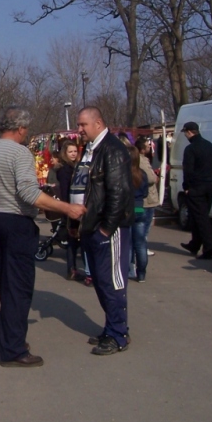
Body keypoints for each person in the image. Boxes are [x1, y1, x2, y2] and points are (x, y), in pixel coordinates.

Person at [0, 107, 85, 367]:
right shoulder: (21, 153)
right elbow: (28, 193)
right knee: (19, 288)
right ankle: (13, 350)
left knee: (6, 284)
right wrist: (67, 208)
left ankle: (13, 340)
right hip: (16, 222)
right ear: (21, 128)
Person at [76, 106, 134, 356]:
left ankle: (118, 334)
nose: (79, 130)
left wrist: (106, 229)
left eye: (83, 125)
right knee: (100, 281)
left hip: (109, 229)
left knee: (112, 282)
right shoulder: (92, 150)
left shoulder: (113, 150)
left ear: (98, 123)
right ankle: (112, 327)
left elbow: (119, 193)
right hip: (91, 227)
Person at [178, 121, 212, 259]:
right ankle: (194, 244)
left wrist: (186, 187)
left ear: (189, 132)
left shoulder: (191, 149)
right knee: (199, 215)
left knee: (202, 219)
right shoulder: (210, 145)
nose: (185, 135)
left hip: (197, 188)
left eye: (185, 133)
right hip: (210, 185)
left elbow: (188, 171)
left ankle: (210, 250)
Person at [49, 141, 80, 279]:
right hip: (70, 206)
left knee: (76, 239)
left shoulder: (76, 167)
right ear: (65, 154)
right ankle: (72, 269)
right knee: (72, 240)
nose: (73, 154)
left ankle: (74, 268)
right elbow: (65, 190)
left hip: (77, 205)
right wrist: (68, 207)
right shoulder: (64, 170)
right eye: (70, 152)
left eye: (75, 151)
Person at [128, 146, 149, 283]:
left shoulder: (123, 174)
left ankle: (130, 269)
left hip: (127, 210)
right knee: (140, 243)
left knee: (128, 243)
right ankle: (141, 273)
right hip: (140, 209)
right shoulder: (142, 174)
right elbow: (146, 193)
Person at [135, 137, 159, 257]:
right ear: (142, 149)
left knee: (140, 224)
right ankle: (141, 248)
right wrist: (155, 178)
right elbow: (149, 178)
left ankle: (140, 247)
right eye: (147, 145)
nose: (150, 147)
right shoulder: (141, 160)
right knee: (144, 225)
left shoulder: (141, 159)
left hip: (141, 202)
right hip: (146, 201)